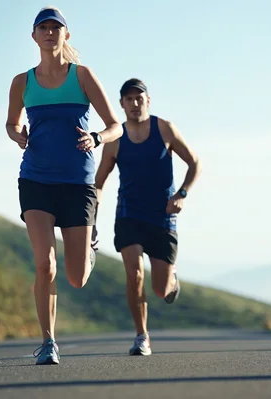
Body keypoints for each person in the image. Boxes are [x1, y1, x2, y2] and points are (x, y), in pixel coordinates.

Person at [5, 6, 123, 365]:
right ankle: (48, 341)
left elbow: (115, 125)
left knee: (77, 277)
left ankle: (89, 246)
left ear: (65, 35)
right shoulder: (22, 82)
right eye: (44, 27)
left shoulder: (82, 76)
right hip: (36, 180)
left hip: (77, 184)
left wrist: (96, 137)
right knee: (45, 264)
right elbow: (11, 124)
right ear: (34, 36)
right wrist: (18, 135)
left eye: (56, 28)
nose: (50, 32)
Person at [94, 78, 202, 356]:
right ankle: (142, 336)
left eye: (139, 98)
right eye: (128, 99)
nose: (134, 103)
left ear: (148, 100)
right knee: (134, 274)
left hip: (163, 215)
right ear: (122, 104)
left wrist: (182, 194)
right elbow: (99, 183)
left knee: (160, 289)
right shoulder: (115, 140)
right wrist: (90, 218)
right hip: (129, 214)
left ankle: (171, 280)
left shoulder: (164, 128)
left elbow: (194, 163)